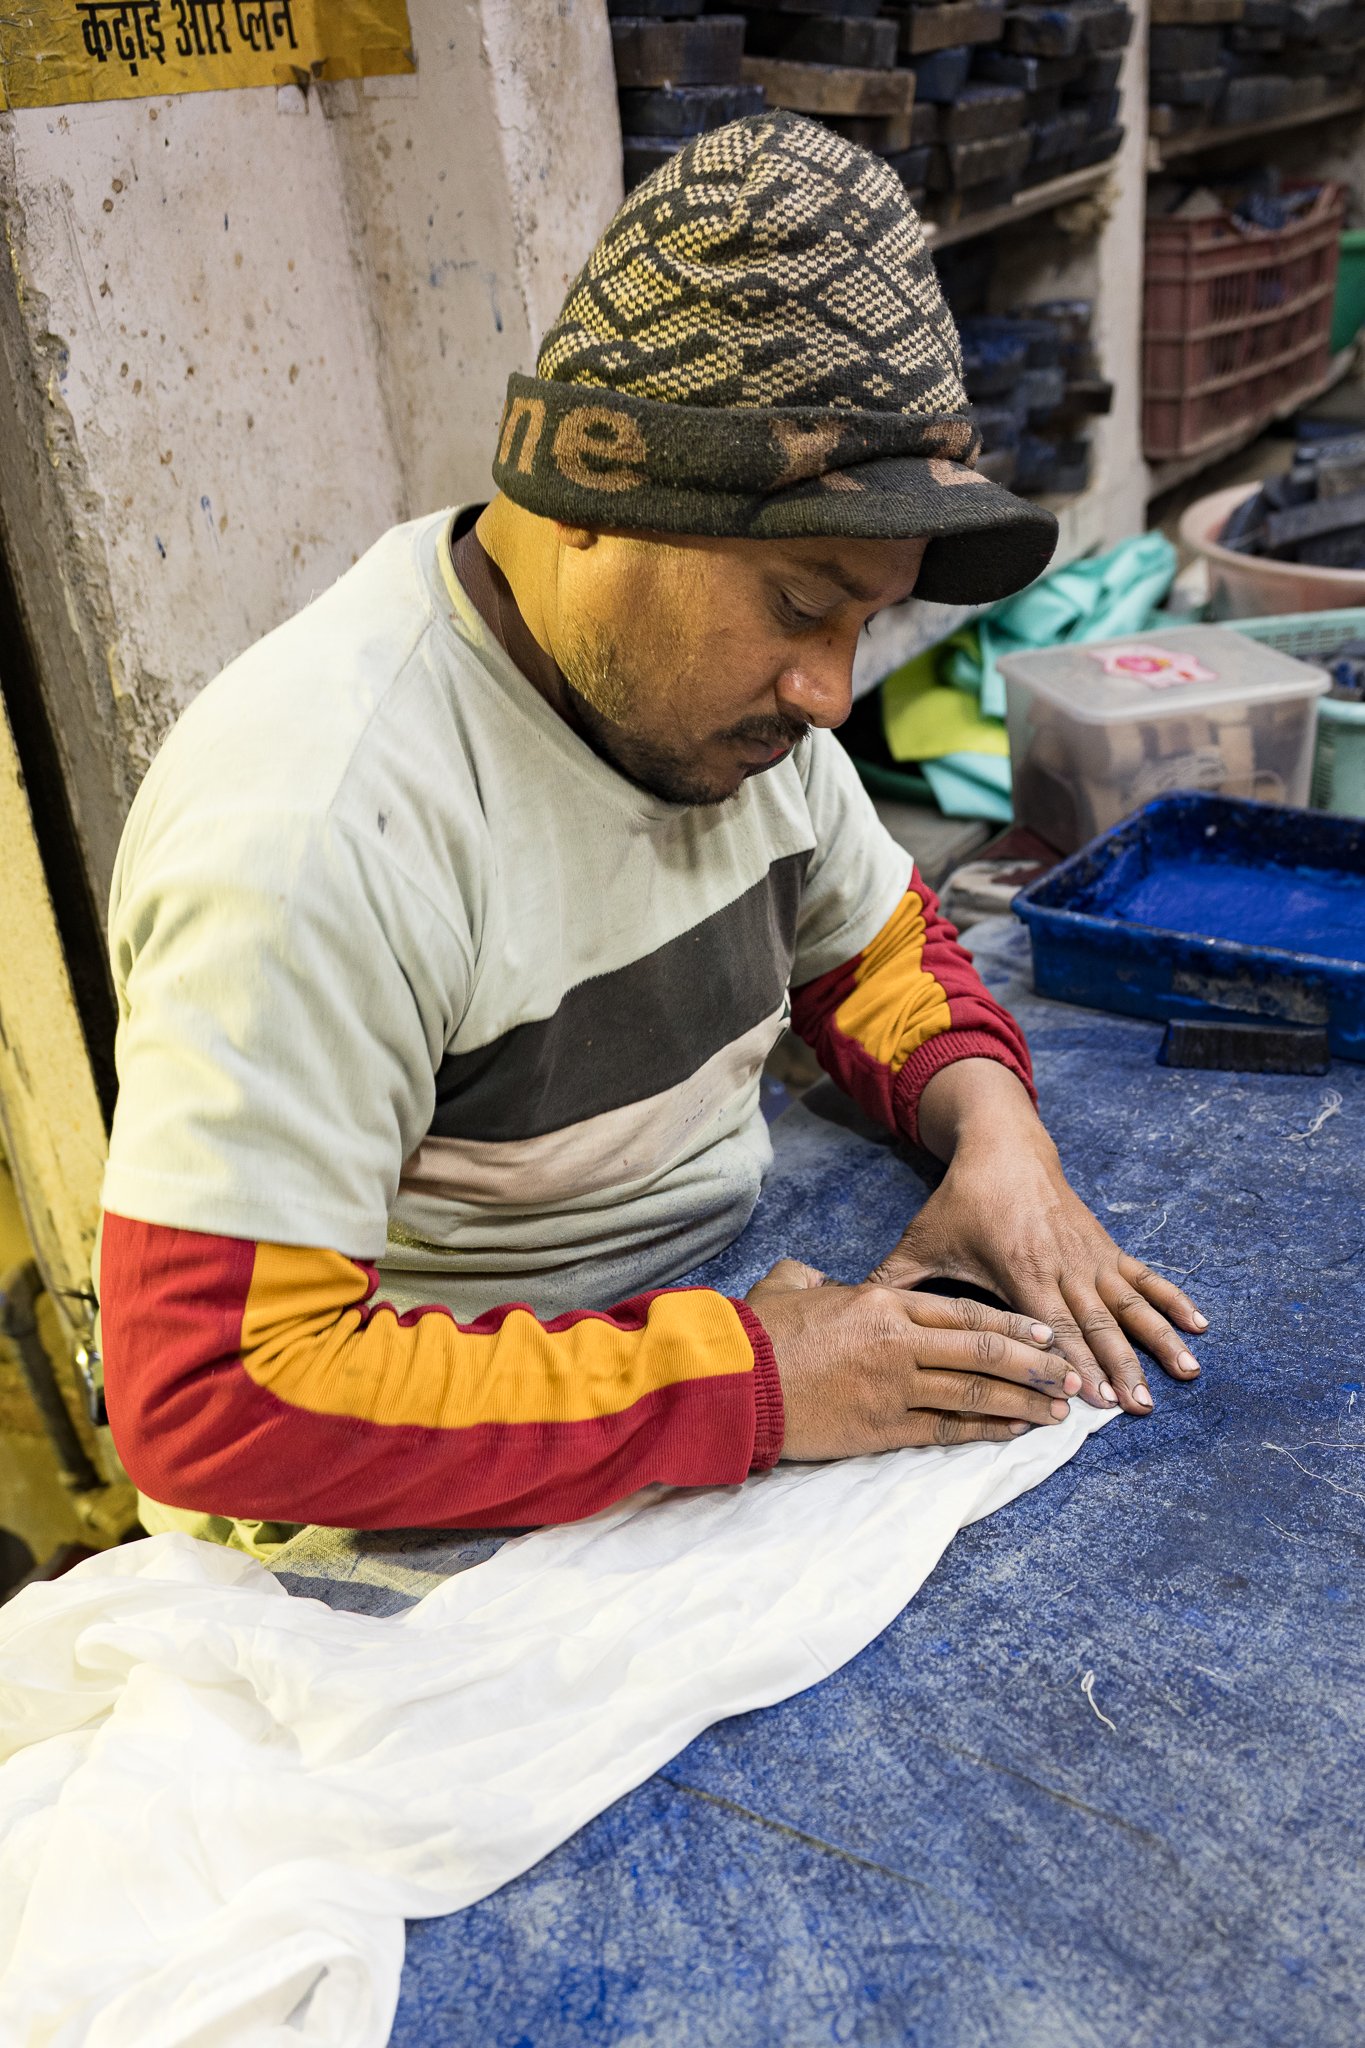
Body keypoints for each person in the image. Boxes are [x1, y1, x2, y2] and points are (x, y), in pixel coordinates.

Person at [96, 114, 1205, 1550]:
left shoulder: (725, 713)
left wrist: (996, 1137)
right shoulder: (318, 830)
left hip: (704, 1325)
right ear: (589, 504)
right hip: (411, 1501)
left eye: (867, 623)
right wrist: (756, 1382)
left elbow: (869, 945)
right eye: (802, 608)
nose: (827, 693)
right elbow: (223, 1399)